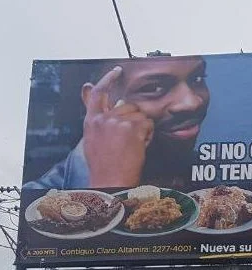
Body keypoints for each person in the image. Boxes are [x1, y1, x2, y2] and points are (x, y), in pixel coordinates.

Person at [25, 56, 210, 190]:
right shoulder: (38, 202)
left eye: (197, 79)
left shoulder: (216, 181)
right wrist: (110, 186)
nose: (192, 103)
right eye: (153, 87)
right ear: (96, 102)